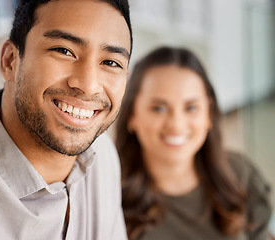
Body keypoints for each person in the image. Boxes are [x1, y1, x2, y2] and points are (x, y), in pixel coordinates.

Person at [0, 0, 133, 239]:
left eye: (111, 63)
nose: (88, 85)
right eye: (63, 51)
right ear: (10, 60)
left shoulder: (102, 155)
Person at [115, 47, 272, 240]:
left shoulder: (238, 174)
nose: (176, 124)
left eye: (191, 107)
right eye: (158, 108)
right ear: (131, 115)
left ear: (209, 115)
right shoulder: (108, 194)